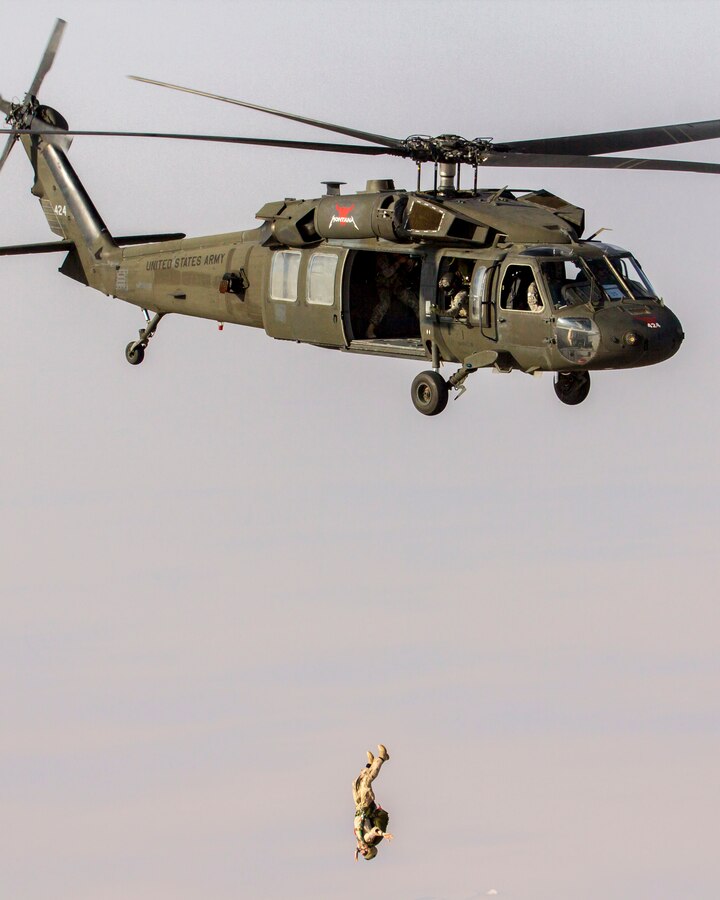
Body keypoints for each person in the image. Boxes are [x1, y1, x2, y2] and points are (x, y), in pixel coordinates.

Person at [352, 744, 393, 861]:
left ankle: (369, 764)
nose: (362, 850)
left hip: (359, 806)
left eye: (362, 853)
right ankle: (382, 758)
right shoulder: (367, 839)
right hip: (366, 805)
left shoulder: (360, 842)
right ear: (369, 848)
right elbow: (373, 831)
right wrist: (383, 834)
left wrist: (356, 853)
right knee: (366, 782)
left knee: (356, 784)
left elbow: (357, 848)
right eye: (365, 852)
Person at [367, 255, 418, 338]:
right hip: (383, 285)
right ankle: (370, 329)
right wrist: (398, 262)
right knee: (384, 304)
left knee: (413, 300)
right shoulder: (382, 257)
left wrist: (409, 263)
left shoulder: (400, 256)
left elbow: (407, 271)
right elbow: (387, 273)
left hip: (396, 285)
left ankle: (423, 326)